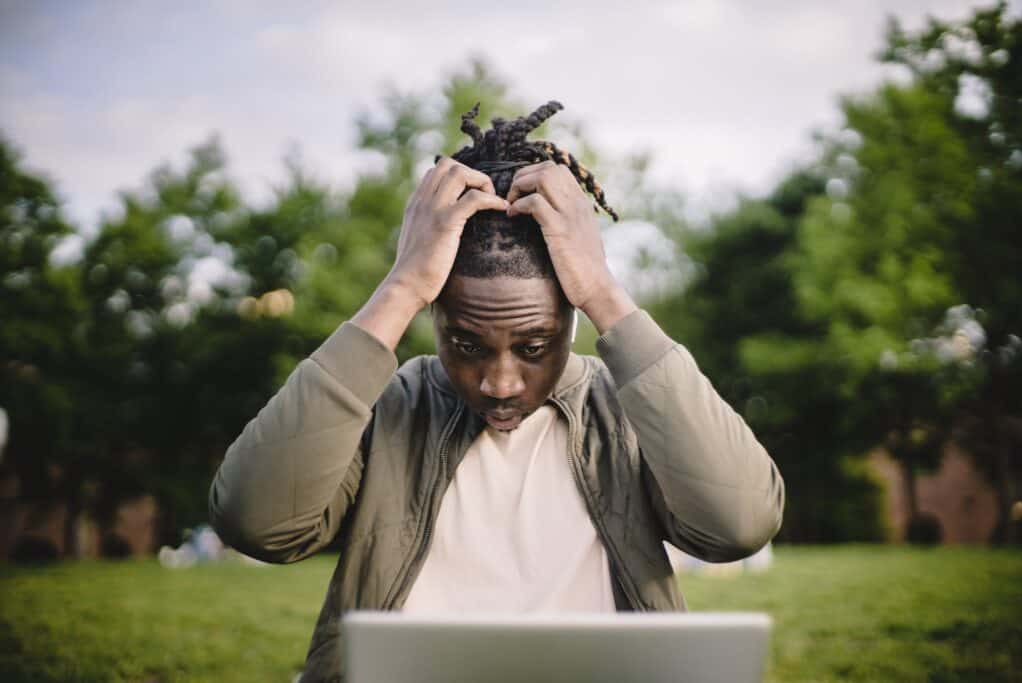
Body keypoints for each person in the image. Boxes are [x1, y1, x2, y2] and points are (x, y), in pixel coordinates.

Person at [209, 101, 785, 682]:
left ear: (572, 318)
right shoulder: (388, 406)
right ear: (433, 314)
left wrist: (606, 293)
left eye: (534, 347)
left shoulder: (631, 408)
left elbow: (738, 524)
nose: (500, 383)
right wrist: (400, 285)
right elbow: (256, 523)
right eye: (467, 344)